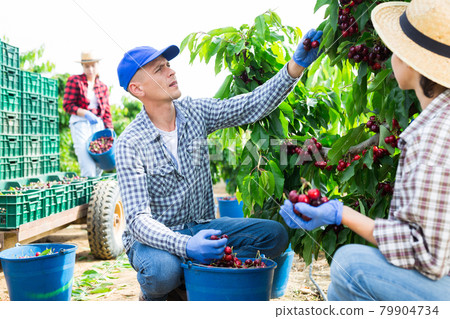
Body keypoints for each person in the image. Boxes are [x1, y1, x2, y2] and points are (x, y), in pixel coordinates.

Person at [115, 29, 323, 300]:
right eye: (159, 69)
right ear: (137, 89)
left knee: (274, 236)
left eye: (168, 65)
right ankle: (172, 284)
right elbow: (139, 220)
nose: (171, 72)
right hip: (157, 241)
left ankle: (195, 278)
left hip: (200, 225)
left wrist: (294, 68)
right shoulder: (129, 142)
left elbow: (249, 106)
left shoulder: (195, 112)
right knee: (160, 272)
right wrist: (187, 245)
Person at [279, 0, 450, 301]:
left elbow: (429, 257)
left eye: (396, 49)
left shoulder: (435, 135)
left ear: (411, 60)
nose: (389, 56)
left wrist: (340, 214)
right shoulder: (436, 121)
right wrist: (295, 69)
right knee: (338, 289)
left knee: (350, 265)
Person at [63, 51, 114, 177]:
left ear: (97, 65)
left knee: (100, 163)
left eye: (93, 66)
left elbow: (106, 111)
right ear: (83, 67)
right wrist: (85, 113)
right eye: (87, 66)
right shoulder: (75, 81)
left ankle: (96, 194)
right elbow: (68, 105)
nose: (90, 69)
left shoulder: (102, 86)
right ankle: (88, 192)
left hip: (98, 124)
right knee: (87, 163)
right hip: (80, 122)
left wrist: (110, 130)